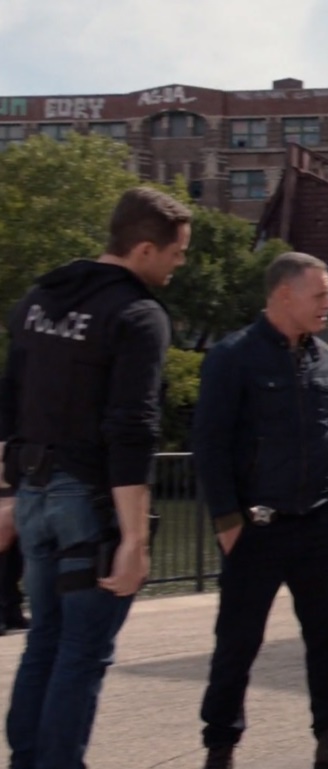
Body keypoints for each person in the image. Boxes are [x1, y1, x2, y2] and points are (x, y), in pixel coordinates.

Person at [0, 186, 190, 768]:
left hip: (33, 492)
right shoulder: (138, 315)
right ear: (144, 250)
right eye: (176, 252)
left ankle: (27, 760)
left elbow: (9, 400)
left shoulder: (40, 299)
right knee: (82, 652)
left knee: (45, 641)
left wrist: (6, 493)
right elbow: (132, 429)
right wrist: (134, 539)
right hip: (87, 501)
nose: (180, 263)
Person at [193, 252, 328, 769]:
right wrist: (228, 522)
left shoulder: (327, 360)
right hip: (256, 529)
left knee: (326, 640)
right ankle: (220, 749)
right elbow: (210, 444)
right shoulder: (232, 357)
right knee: (237, 644)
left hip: (318, 526)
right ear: (284, 295)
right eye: (321, 295)